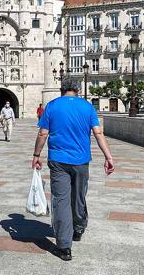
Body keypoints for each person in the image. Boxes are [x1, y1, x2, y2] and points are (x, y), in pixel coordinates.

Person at [32, 77, 115, 261]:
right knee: (78, 196)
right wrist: (108, 157)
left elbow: (43, 133)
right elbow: (98, 132)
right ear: (77, 90)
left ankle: (64, 246)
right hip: (81, 160)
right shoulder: (87, 106)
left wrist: (36, 155)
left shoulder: (52, 105)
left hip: (58, 161)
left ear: (62, 89)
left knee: (61, 200)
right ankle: (78, 228)